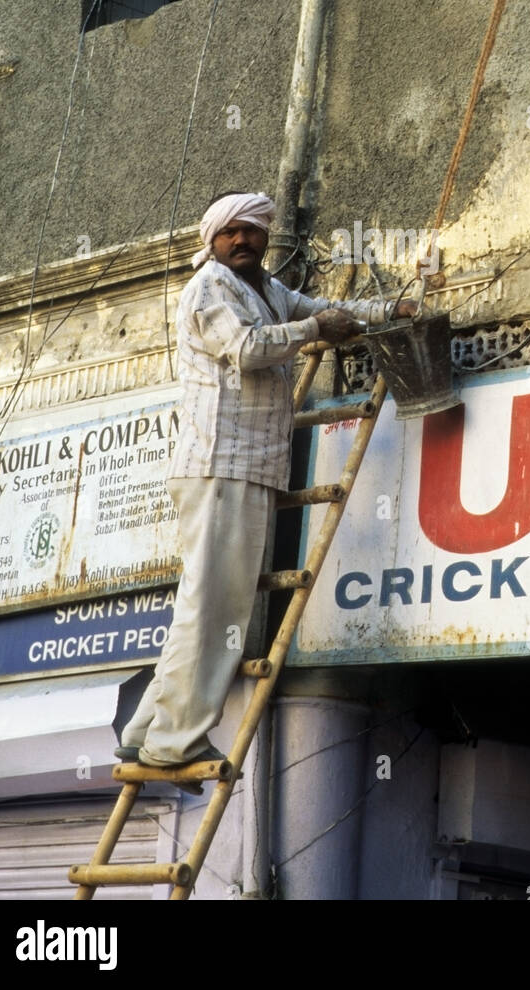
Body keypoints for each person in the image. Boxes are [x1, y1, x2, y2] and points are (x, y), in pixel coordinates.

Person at [116, 190, 416, 770]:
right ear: (213, 238)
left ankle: (144, 730)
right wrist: (311, 329)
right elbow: (248, 349)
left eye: (252, 230)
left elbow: (325, 308)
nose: (243, 240)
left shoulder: (267, 290)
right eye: (231, 232)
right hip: (220, 463)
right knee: (218, 609)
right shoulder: (209, 288)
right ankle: (172, 743)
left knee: (203, 604)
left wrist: (388, 312)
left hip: (247, 468)